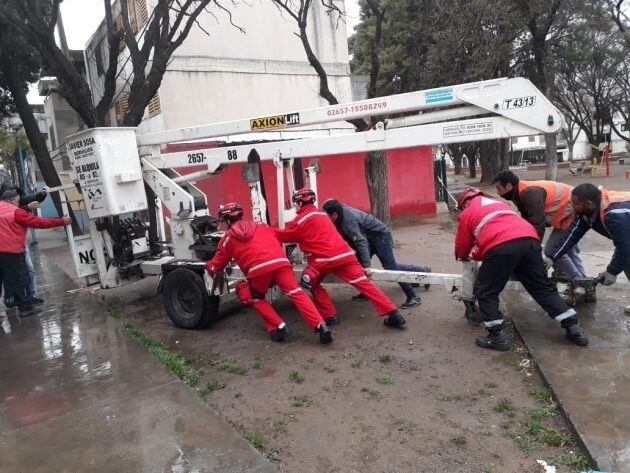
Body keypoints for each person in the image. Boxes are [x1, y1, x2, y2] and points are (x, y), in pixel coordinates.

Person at [454, 187, 588, 351]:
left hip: (501, 247)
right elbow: (499, 233)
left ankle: (496, 336)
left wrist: (464, 255)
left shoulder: (467, 212)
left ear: (464, 203)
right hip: (530, 241)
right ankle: (573, 327)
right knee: (542, 288)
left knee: (485, 290)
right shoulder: (502, 205)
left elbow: (464, 243)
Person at [274, 188, 406, 328]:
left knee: (311, 282)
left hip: (323, 260)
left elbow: (285, 236)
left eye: (296, 203)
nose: (295, 207)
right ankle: (394, 314)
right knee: (365, 284)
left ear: (300, 202)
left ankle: (330, 317)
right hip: (346, 256)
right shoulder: (324, 215)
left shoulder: (301, 220)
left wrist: (265, 230)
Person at [206, 202, 332, 344]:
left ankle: (279, 327)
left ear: (227, 220)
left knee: (252, 295)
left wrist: (207, 265)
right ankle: (321, 326)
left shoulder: (227, 239)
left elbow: (216, 266)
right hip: (280, 263)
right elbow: (277, 237)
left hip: (258, 270)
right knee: (297, 293)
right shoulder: (261, 225)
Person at [322, 199, 431, 309]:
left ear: (334, 215)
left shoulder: (349, 221)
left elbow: (361, 242)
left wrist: (367, 266)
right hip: (368, 238)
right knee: (357, 264)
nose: (324, 217)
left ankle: (413, 297)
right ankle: (421, 271)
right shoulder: (338, 214)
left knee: (390, 267)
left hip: (379, 236)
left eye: (326, 215)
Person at [547, 183, 630, 313]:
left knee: (626, 258)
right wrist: (551, 257)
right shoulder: (586, 212)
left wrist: (612, 271)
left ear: (589, 203)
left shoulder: (613, 214)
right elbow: (571, 235)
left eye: (576, 204)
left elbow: (625, 247)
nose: (573, 207)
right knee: (625, 260)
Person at [492, 170, 586, 280]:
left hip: (573, 210)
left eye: (499, 188)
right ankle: (584, 280)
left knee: (552, 250)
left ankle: (579, 280)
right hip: (569, 210)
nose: (498, 193)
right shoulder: (518, 192)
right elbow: (528, 221)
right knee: (567, 250)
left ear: (508, 186)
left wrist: (531, 251)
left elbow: (537, 226)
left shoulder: (529, 194)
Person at [0, 190, 70, 315]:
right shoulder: (16, 212)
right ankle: (25, 308)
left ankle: (19, 303)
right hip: (11, 252)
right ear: (11, 200)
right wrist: (61, 221)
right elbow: (39, 222)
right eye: (17, 201)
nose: (18, 203)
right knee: (20, 279)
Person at [0, 181, 49, 307]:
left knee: (28, 271)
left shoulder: (18, 200)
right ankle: (12, 299)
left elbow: (31, 199)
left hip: (17, 245)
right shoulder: (6, 207)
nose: (17, 201)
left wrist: (42, 194)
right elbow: (14, 213)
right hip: (9, 247)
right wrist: (27, 208)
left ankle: (28, 297)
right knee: (11, 275)